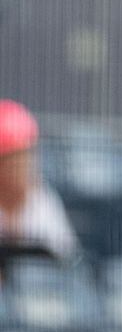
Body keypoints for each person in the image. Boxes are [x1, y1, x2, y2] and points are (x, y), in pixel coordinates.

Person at [0, 99, 78, 264]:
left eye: (25, 156)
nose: (22, 166)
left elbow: (66, 262)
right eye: (11, 159)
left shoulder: (42, 201)